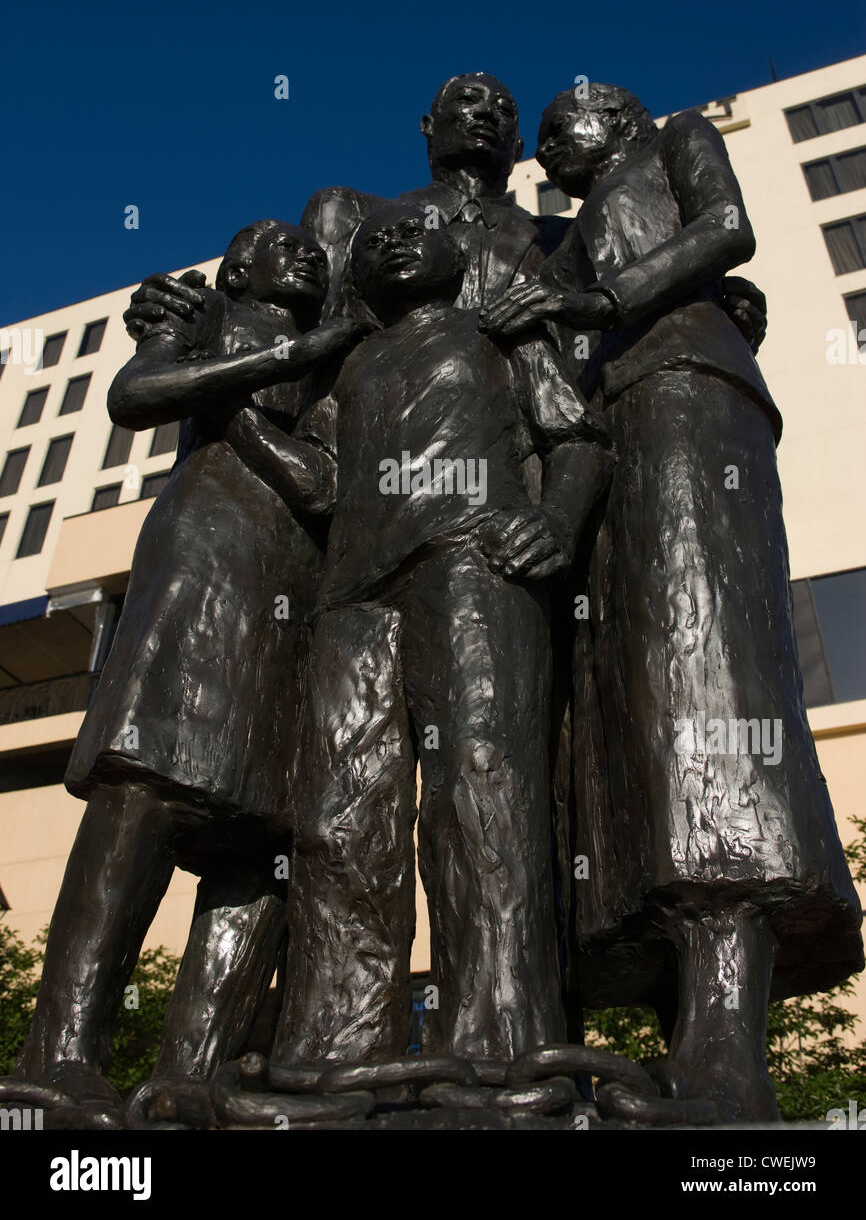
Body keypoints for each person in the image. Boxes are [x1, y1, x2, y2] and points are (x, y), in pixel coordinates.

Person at [482, 84, 864, 1120]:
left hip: (688, 399)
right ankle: (685, 1040)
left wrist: (602, 305)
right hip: (604, 446)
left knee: (707, 680)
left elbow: (724, 227)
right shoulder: (561, 246)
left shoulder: (676, 143)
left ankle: (724, 1054)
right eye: (544, 132)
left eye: (570, 119)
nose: (551, 139)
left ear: (624, 118)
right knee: (627, 720)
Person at [15, 221, 356, 1110]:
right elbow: (139, 395)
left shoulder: (333, 362)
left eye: (313, 250)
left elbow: (326, 486)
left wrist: (241, 408)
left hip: (296, 590)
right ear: (240, 267)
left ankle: (192, 1076)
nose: (307, 253)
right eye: (284, 243)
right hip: (201, 557)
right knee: (145, 791)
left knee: (266, 837)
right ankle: (59, 1056)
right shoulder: (202, 321)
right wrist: (255, 373)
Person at [268, 206, 613, 1065]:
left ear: (456, 258)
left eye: (412, 233)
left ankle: (499, 1044)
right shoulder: (343, 366)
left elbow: (575, 437)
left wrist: (559, 524)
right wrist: (232, 408)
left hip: (469, 558)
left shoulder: (495, 330)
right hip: (354, 591)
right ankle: (333, 1052)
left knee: (481, 794)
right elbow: (318, 485)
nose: (390, 238)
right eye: (375, 240)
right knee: (339, 819)